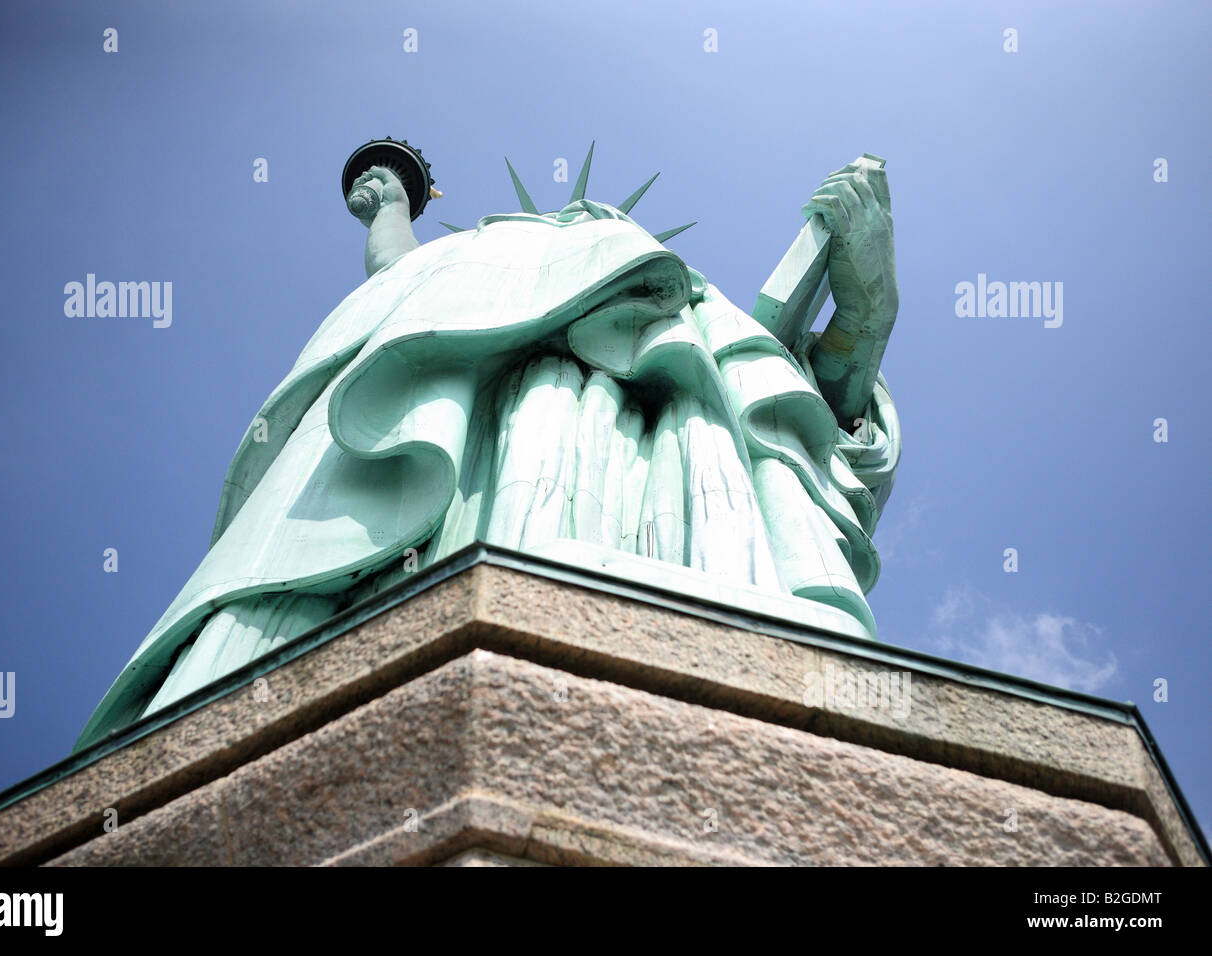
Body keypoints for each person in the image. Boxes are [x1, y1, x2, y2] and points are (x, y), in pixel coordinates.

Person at [74, 152, 902, 750]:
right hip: (465, 454)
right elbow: (395, 294)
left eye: (594, 231)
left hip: (660, 459)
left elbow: (813, 414)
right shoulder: (475, 268)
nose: (578, 234)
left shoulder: (685, 313)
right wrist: (390, 209)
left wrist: (869, 305)